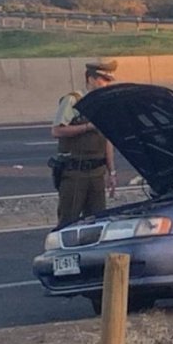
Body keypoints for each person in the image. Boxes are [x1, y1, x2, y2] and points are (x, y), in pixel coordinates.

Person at [50, 61, 118, 226]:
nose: (106, 84)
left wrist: (112, 172)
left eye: (108, 80)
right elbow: (57, 131)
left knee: (97, 220)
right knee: (69, 220)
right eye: (103, 80)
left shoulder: (103, 103)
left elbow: (107, 139)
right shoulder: (73, 100)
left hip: (96, 173)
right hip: (75, 173)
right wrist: (87, 127)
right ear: (91, 79)